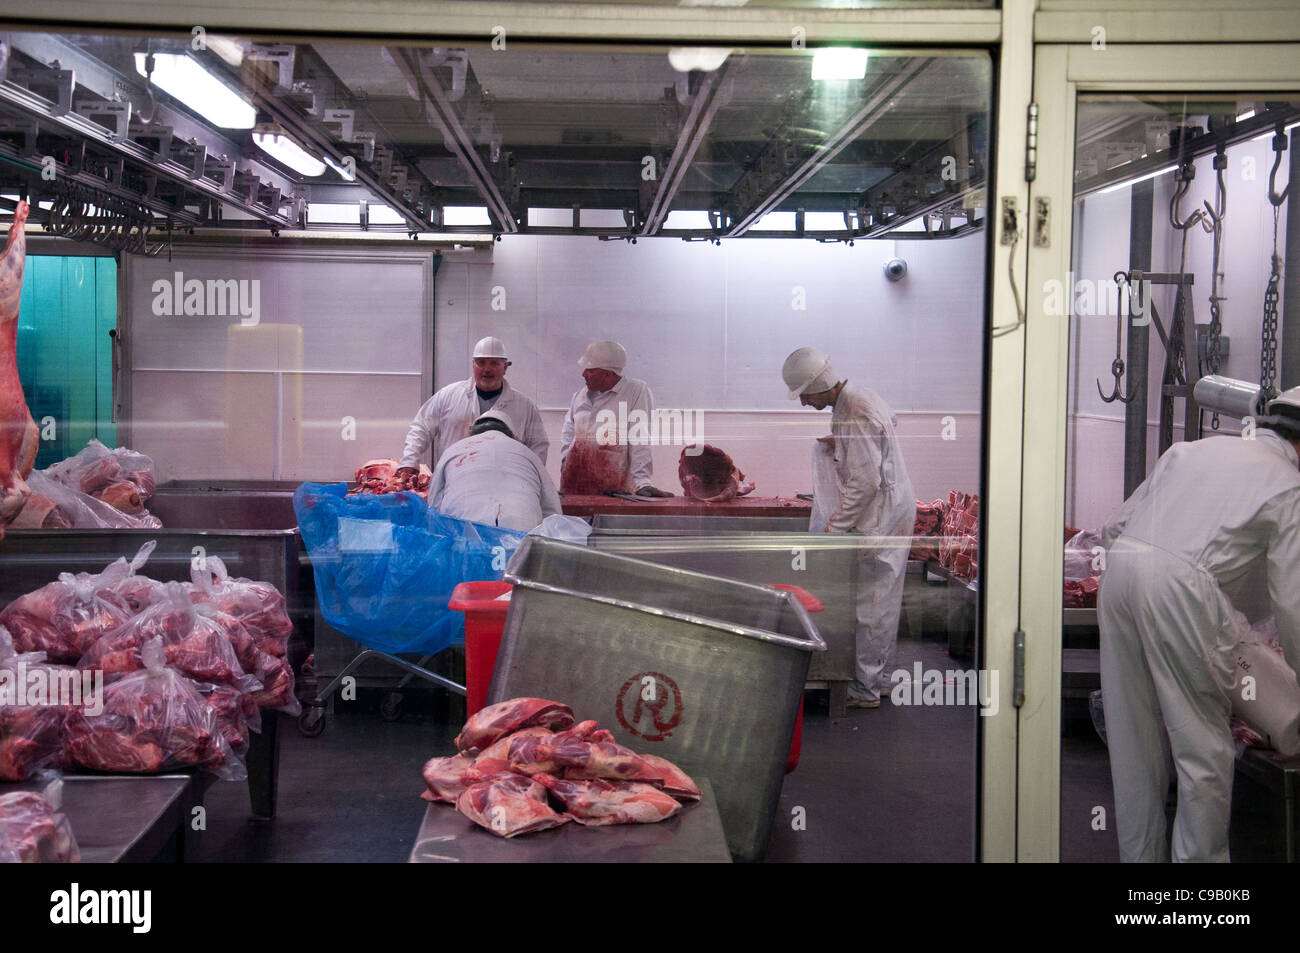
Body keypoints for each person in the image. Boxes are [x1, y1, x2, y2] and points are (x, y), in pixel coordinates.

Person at [1098, 386, 1300, 863]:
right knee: (1203, 754)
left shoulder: (1193, 451)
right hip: (1180, 592)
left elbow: (1113, 528)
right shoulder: (1289, 487)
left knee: (1135, 747)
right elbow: (1291, 603)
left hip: (1122, 571)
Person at [781, 347, 916, 710]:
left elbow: (865, 484)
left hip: (881, 513)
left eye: (805, 396)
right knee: (882, 598)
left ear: (819, 386)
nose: (805, 404)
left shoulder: (853, 412)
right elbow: (888, 428)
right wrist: (842, 444)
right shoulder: (859, 397)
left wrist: (834, 529)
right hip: (891, 505)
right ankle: (880, 679)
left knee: (873, 602)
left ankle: (866, 689)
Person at [397, 336, 548, 480]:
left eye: (494, 363)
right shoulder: (448, 396)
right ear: (473, 365)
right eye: (481, 362)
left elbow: (538, 445)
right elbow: (421, 427)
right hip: (452, 481)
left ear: (505, 367)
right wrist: (410, 461)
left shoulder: (524, 406)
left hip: (503, 485)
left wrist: (530, 480)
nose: (487, 369)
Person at [559, 340, 673, 497]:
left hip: (614, 488)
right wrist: (566, 465)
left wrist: (642, 483)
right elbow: (567, 436)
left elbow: (640, 438)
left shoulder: (635, 391)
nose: (583, 374)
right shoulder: (578, 397)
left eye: (590, 370)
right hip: (574, 484)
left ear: (608, 373)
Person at [426, 409, 562, 532]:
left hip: (464, 529)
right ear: (512, 435)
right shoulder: (527, 453)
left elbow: (433, 505)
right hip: (522, 531)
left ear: (470, 434)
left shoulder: (453, 450)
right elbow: (552, 511)